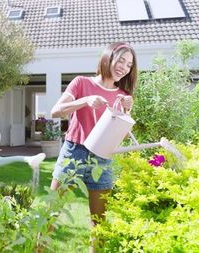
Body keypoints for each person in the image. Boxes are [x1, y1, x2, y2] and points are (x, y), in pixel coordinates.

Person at [49, 42, 137, 251]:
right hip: (74, 152)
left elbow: (122, 136)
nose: (124, 67)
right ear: (108, 58)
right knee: (51, 213)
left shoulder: (123, 95)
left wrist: (125, 112)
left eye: (129, 64)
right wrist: (85, 100)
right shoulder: (81, 83)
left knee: (99, 224)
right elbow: (55, 111)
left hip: (102, 158)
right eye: (121, 60)